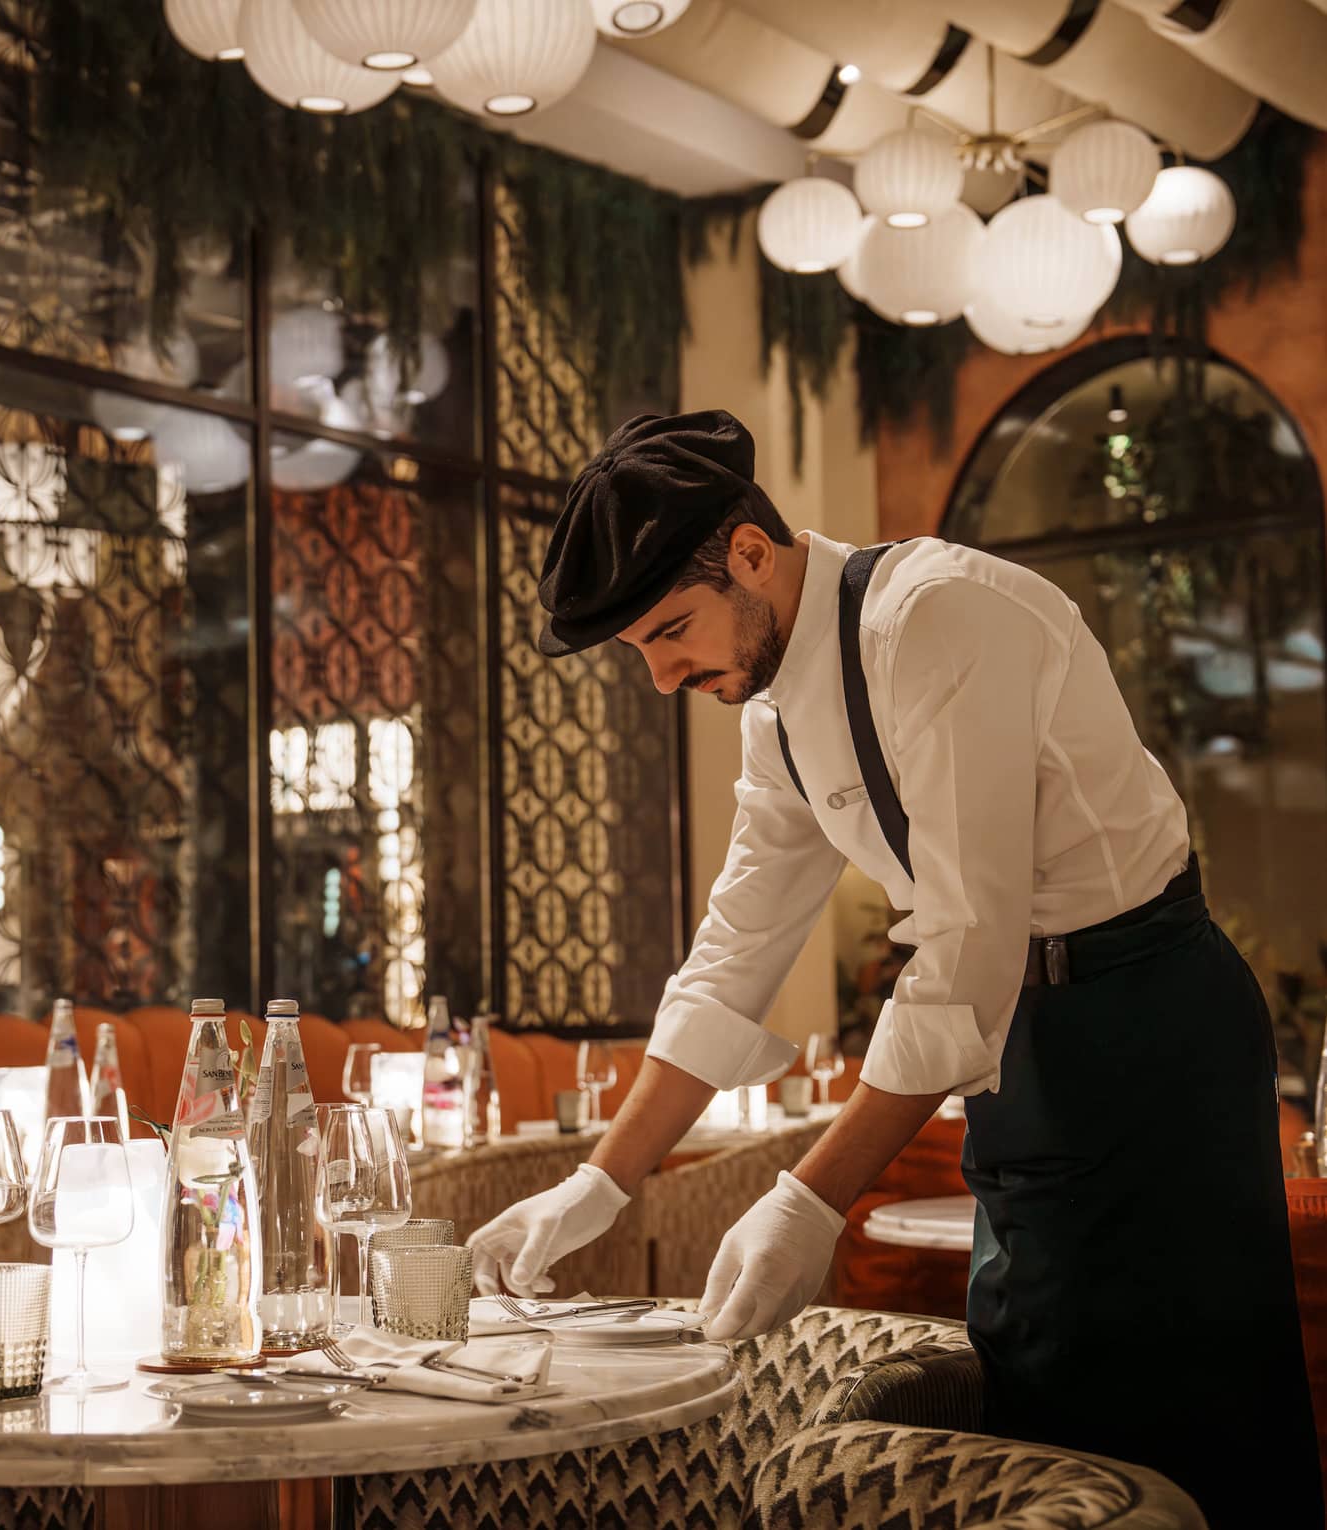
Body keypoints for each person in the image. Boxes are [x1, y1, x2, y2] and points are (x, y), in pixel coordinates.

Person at [467, 409, 1321, 1527]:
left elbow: (967, 940)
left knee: (1196, 1419)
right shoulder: (771, 709)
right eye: (643, 653)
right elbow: (736, 949)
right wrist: (602, 1182)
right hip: (1023, 1048)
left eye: (670, 631)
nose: (666, 675)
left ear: (752, 555)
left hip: (1146, 1022)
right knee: (1037, 1403)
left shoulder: (939, 617)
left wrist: (809, 1198)